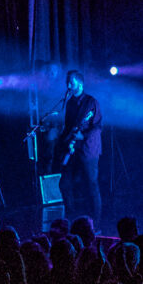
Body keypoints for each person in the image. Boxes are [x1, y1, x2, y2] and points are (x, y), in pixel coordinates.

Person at [49, 70, 103, 221]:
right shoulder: (70, 103)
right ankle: (70, 217)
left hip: (88, 150)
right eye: (67, 82)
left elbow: (97, 127)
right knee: (64, 184)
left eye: (71, 82)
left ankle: (96, 223)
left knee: (91, 185)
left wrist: (82, 136)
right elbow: (68, 127)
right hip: (72, 150)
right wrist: (62, 140)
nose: (68, 85)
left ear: (80, 84)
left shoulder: (91, 102)